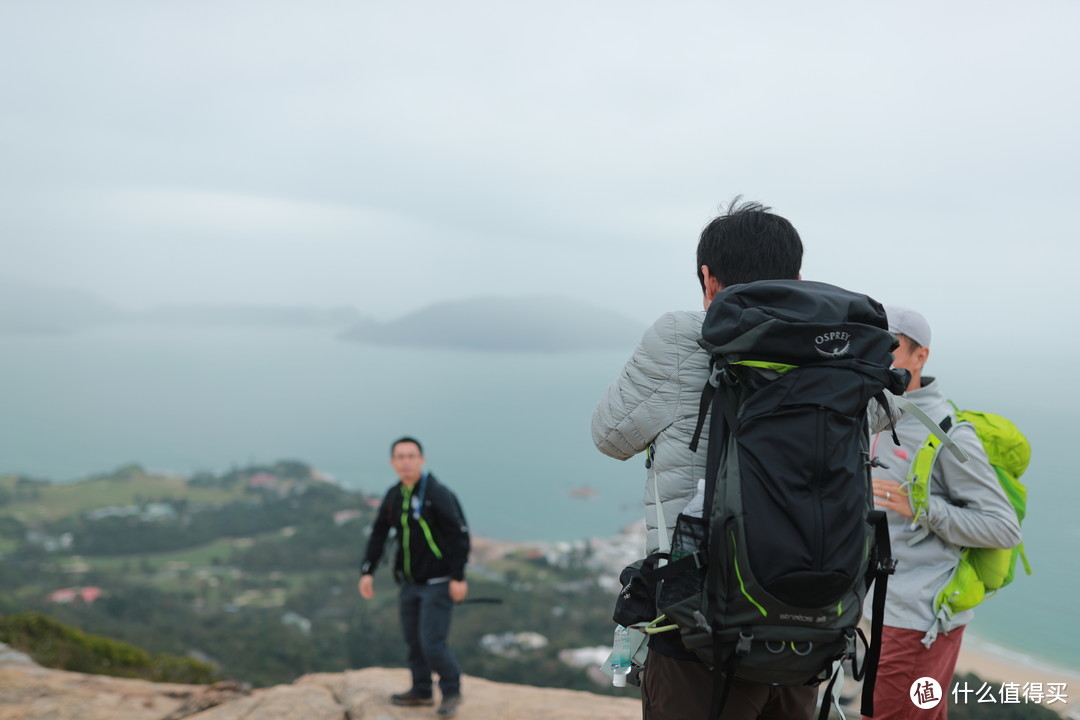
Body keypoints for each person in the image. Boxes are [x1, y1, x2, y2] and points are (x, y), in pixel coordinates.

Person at [593, 199, 826, 719]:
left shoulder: (682, 336)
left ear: (708, 278)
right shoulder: (837, 351)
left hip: (698, 622)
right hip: (809, 618)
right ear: (799, 277)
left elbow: (609, 435)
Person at [864, 307, 1021, 720]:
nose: (880, 357)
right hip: (877, 609)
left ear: (921, 357)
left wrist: (922, 507)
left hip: (917, 624)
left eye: (892, 348)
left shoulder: (948, 432)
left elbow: (1004, 528)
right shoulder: (870, 415)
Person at [358, 437, 471, 719]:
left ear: (422, 459)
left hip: (439, 582)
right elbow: (379, 534)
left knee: (432, 642)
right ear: (392, 462)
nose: (406, 461)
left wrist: (458, 577)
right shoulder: (394, 495)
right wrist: (367, 571)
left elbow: (459, 534)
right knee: (413, 641)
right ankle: (421, 690)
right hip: (409, 582)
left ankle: (451, 691)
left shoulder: (437, 493)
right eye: (400, 456)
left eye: (411, 456)